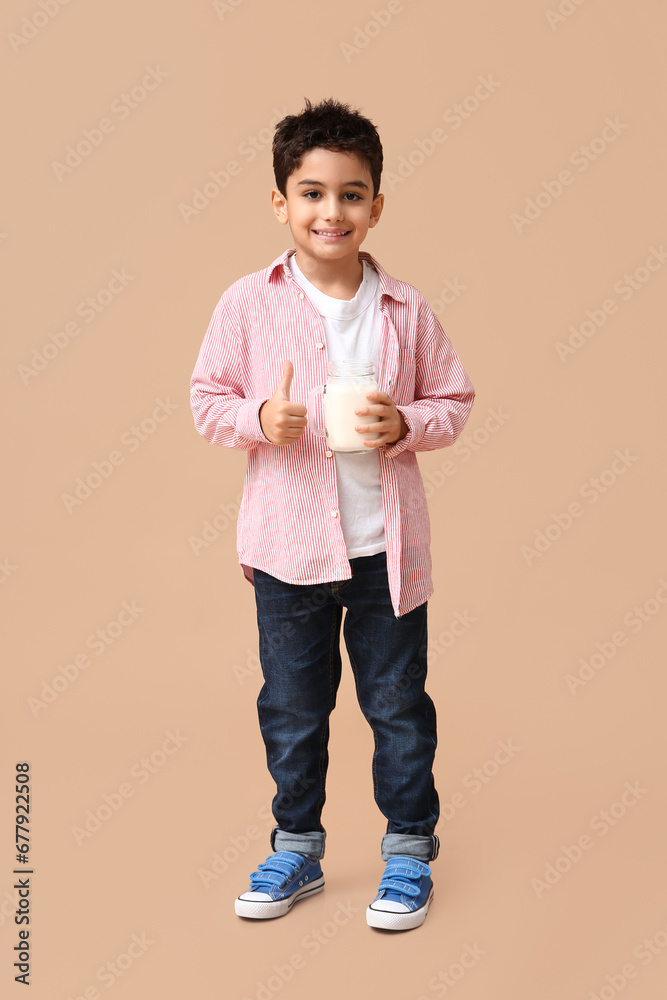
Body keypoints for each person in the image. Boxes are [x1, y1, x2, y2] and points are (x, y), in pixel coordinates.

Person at [189, 97, 475, 931]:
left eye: (351, 194)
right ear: (280, 202)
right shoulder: (246, 303)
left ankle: (408, 852)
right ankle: (296, 848)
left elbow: (452, 401)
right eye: (311, 193)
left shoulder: (405, 310)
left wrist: (408, 425)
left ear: (375, 206)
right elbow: (207, 401)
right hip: (285, 552)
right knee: (290, 704)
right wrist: (257, 422)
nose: (331, 210)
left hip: (385, 551)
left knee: (395, 705)